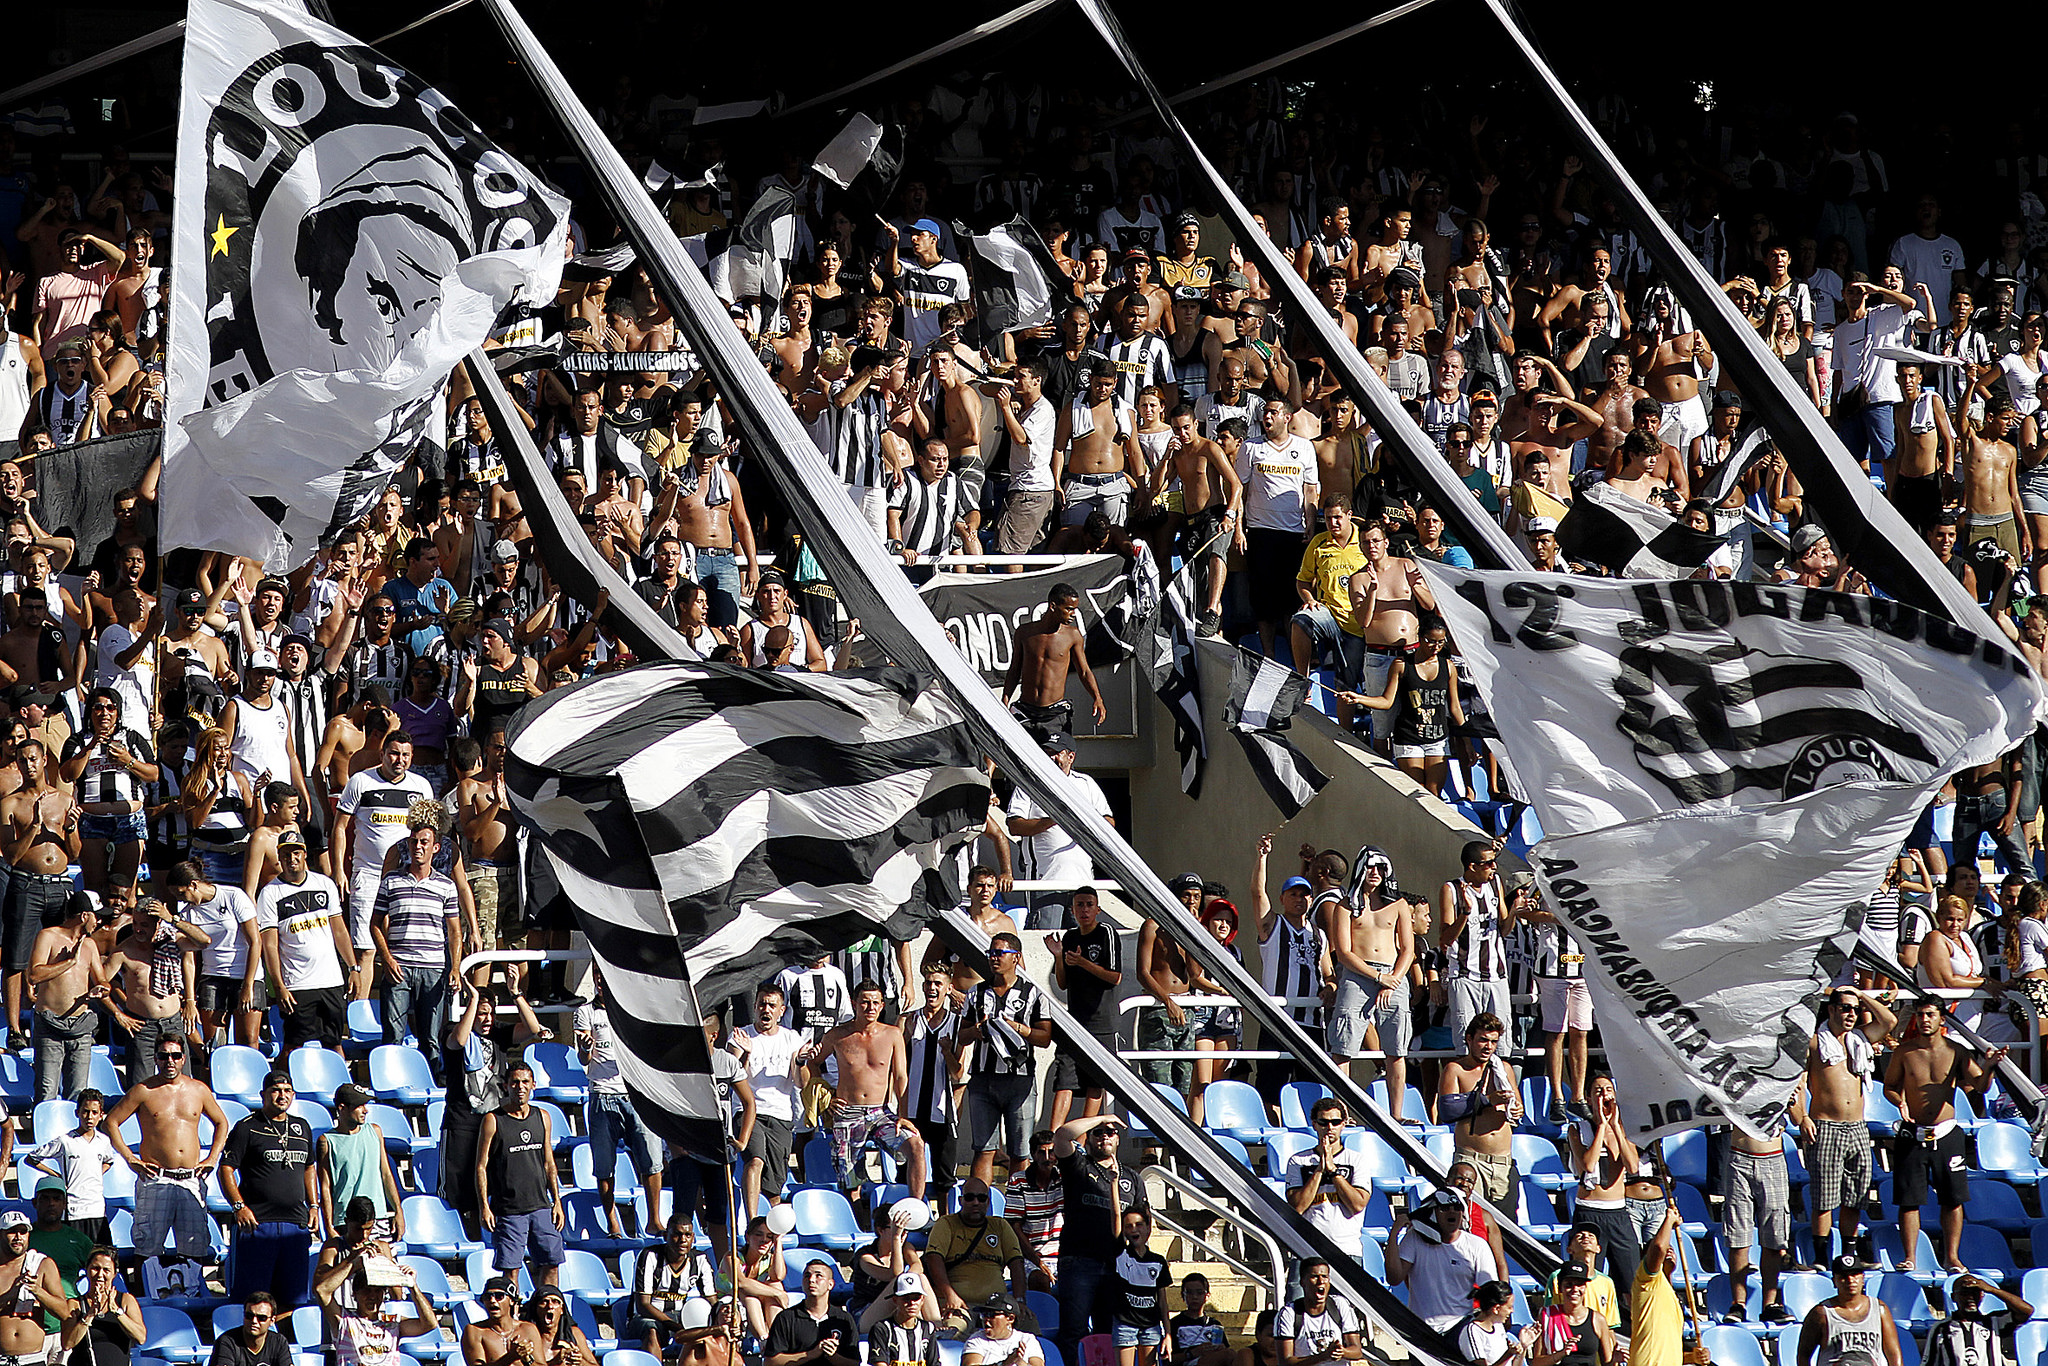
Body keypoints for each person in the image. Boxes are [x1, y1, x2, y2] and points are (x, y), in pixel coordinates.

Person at [1883, 999, 2006, 1272]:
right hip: (1912, 1133)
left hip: (1947, 1133)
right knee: (1909, 1200)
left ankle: (1952, 1257)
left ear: (1941, 1019)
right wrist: (1899, 1101)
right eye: (1920, 1015)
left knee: (1952, 1199)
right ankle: (1910, 1256)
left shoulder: (1957, 1051)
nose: (1924, 1019)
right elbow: (1889, 1086)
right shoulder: (1904, 1052)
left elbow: (1980, 1085)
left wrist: (1990, 1066)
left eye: (1930, 1015)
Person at [105, 1028, 229, 1260]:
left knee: (194, 1250)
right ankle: (143, 1296)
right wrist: (130, 1159)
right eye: (163, 1056)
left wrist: (212, 1158)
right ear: (155, 1058)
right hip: (156, 1179)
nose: (169, 1061)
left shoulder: (199, 1090)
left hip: (191, 1178)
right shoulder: (143, 1090)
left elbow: (222, 1122)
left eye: (175, 1055)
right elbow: (110, 1122)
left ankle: (190, 1297)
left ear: (183, 1058)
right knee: (147, 1250)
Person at [333, 730, 433, 989]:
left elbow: (430, 834)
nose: (399, 760)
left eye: (406, 755)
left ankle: (403, 1011)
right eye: (394, 753)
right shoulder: (360, 782)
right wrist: (339, 871)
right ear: (382, 754)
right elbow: (340, 827)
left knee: (404, 949)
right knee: (366, 950)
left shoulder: (421, 787)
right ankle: (359, 1020)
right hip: (367, 873)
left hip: (405, 877)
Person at [816, 979, 928, 1202]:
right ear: (854, 1003)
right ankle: (857, 1226)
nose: (870, 1008)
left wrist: (903, 1116)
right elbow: (812, 1063)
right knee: (851, 1180)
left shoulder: (893, 1034)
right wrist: (825, 1097)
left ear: (882, 1005)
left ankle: (916, 1209)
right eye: (865, 1002)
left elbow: (900, 1077)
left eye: (875, 1003)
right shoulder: (838, 1035)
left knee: (916, 1145)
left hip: (881, 1112)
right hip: (848, 1111)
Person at [1802, 986, 1893, 1261]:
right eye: (1845, 1008)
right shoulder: (1815, 1042)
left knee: (1856, 1194)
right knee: (1824, 1198)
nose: (1851, 1014)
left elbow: (1889, 1022)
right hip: (1826, 1125)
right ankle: (1821, 1258)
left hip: (1857, 1127)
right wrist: (1802, 1117)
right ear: (1831, 1010)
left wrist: (1862, 995)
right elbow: (1797, 1081)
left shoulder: (1860, 1039)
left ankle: (1849, 1254)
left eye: (1855, 1009)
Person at [368, 814, 460, 1081]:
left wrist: (454, 968)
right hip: (399, 967)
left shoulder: (446, 886)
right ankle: (392, 1087)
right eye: (413, 842)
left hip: (433, 968)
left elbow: (455, 931)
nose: (417, 847)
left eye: (424, 842)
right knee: (393, 1036)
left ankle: (429, 1089)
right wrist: (386, 959)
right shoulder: (391, 881)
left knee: (430, 1038)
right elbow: (374, 924)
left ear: (436, 847)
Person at [575, 971, 666, 1239]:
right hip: (602, 1095)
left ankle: (654, 1219)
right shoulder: (585, 1012)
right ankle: (612, 1221)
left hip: (635, 1094)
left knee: (652, 1160)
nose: (601, 983)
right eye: (597, 978)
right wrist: (585, 1048)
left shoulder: (633, 1008)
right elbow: (583, 1059)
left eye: (605, 977)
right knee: (604, 1167)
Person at [217, 1070, 316, 1308]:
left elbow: (309, 1167)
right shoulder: (247, 1127)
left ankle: (287, 1344)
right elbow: (226, 1169)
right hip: (258, 1224)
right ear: (263, 1095)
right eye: (276, 1091)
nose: (282, 1096)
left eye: (287, 1091)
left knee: (293, 1300)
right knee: (252, 1299)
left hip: (295, 1224)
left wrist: (313, 1205)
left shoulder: (302, 1127)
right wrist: (239, 1206)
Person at [961, 932, 1051, 1184]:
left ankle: (1016, 1211)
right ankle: (982, 1210)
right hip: (983, 1080)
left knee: (1020, 1153)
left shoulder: (1034, 994)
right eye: (991, 953)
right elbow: (962, 1034)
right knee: (983, 1149)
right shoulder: (976, 993)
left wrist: (1017, 1028)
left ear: (1016, 957)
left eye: (1000, 952)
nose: (994, 958)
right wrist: (978, 1030)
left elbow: (1044, 1038)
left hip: (1019, 1081)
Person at [255, 829, 357, 1049]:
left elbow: (339, 930)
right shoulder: (270, 893)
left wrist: (353, 967)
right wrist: (279, 986)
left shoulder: (325, 884)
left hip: (331, 981)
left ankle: (339, 1083)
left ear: (304, 854)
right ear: (279, 858)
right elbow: (270, 945)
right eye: (286, 855)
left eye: (296, 853)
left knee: (334, 1043)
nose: (292, 859)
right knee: (294, 1045)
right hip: (298, 984)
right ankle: (284, 1083)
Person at [1053, 1114, 1141, 1365]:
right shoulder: (1078, 1165)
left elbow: (1141, 1223)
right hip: (1079, 1261)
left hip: (1115, 1265)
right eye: (1098, 1132)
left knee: (1108, 1333)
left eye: (1111, 1132)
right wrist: (1104, 1118)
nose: (1105, 1135)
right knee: (1074, 1331)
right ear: (1089, 1138)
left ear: (1119, 1139)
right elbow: (1062, 1135)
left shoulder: (1132, 1178)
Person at [477, 1059, 567, 1286]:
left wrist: (556, 1201)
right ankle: (513, 1318)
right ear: (506, 1086)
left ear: (533, 1085)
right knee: (511, 1272)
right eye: (515, 1083)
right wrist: (484, 1207)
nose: (521, 1087)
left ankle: (547, 1315)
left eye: (525, 1082)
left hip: (541, 1206)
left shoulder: (543, 1117)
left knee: (551, 1263)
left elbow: (549, 1162)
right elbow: (481, 1166)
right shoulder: (493, 1120)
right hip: (509, 1210)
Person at [1045, 885, 1123, 1126]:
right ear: (1073, 910)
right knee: (1065, 1082)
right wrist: (1059, 957)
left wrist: (1083, 962)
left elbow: (1114, 977)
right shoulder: (1070, 937)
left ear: (1098, 909)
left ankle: (1080, 1139)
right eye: (1080, 905)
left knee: (1095, 1084)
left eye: (1089, 904)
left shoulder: (1106, 933)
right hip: (1074, 1021)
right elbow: (1062, 982)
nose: (1085, 910)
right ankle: (1054, 1140)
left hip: (1102, 1022)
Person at [1439, 1011, 1521, 1210]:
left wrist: (1516, 1109)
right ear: (1469, 1039)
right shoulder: (1455, 1069)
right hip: (1470, 1160)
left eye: (1493, 1042)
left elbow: (1517, 1104)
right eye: (1483, 1040)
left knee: (1505, 1228)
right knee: (1471, 1222)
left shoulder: (1503, 1069)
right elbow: (1448, 1110)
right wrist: (1486, 1100)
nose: (1488, 1047)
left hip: (1503, 1162)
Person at [313, 1236, 438, 1366]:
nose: (373, 1296)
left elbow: (430, 1324)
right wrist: (353, 1265)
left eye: (378, 1291)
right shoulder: (344, 1321)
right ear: (355, 1294)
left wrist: (413, 1287)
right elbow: (321, 1290)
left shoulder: (393, 1323)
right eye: (367, 1291)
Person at [26, 888, 102, 1101]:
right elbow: (34, 975)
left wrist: (101, 988)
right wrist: (68, 962)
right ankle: (44, 1134)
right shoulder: (48, 935)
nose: (99, 922)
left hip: (81, 1026)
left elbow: (102, 979)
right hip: (50, 1025)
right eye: (96, 916)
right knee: (46, 1090)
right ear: (85, 916)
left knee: (78, 1094)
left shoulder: (89, 944)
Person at [1001, 583, 1106, 738]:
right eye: (1069, 609)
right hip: (1025, 710)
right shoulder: (1025, 632)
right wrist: (1005, 698)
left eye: (1075, 609)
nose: (1073, 614)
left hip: (1054, 713)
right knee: (1011, 755)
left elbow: (1084, 671)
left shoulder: (1073, 635)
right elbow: (1015, 669)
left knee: (1058, 760)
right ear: (1053, 606)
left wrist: (1097, 698)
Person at [923, 1177, 1028, 1329]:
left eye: (981, 1198)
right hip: (960, 1306)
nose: (976, 1202)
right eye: (970, 1197)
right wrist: (950, 1295)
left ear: (988, 1201)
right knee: (954, 1331)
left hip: (998, 1307)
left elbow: (1016, 1263)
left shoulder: (1000, 1226)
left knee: (1028, 1324)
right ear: (961, 1201)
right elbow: (933, 1258)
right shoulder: (946, 1223)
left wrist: (1019, 1301)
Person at [1386, 1188, 1494, 1333]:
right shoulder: (1414, 1239)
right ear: (1434, 1212)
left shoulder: (1477, 1245)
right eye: (1444, 1208)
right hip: (1421, 1330)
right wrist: (1394, 1234)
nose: (1451, 1212)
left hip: (1460, 1330)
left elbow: (1491, 1291)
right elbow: (1394, 1278)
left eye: (1456, 1208)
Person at [1439, 842, 1515, 1042]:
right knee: (1467, 1042)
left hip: (1496, 977)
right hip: (1465, 976)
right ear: (1472, 866)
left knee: (1500, 1043)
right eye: (1489, 863)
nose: (1495, 867)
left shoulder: (1494, 882)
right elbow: (1445, 939)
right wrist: (1465, 912)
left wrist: (1515, 910)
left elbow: (1504, 929)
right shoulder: (1451, 889)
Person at [318, 1084, 404, 1243]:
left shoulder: (375, 1131)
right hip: (347, 1221)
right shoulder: (326, 1141)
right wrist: (329, 1225)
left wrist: (398, 1210)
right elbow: (325, 1186)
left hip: (377, 1218)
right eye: (359, 1106)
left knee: (383, 1266)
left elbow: (386, 1174)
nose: (365, 1110)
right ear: (342, 1108)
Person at [27, 1088, 115, 1243]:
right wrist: (56, 1176)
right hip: (74, 1211)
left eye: (94, 1112)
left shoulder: (104, 1141)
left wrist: (95, 1173)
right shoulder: (65, 1141)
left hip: (97, 1210)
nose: (89, 1117)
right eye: (85, 1111)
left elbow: (109, 1161)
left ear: (101, 1115)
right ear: (77, 1113)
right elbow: (31, 1158)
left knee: (102, 1256)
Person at [1285, 1097, 1367, 1262]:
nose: (1330, 1127)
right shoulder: (1298, 1160)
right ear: (1314, 1124)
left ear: (1344, 1124)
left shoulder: (1357, 1160)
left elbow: (1357, 1204)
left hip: (1346, 1249)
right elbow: (1297, 1206)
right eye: (1323, 1122)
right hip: (1306, 1248)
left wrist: (1334, 1172)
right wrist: (1319, 1170)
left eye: (1335, 1122)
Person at [1793, 1257, 1902, 1366]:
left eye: (1855, 1275)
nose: (1850, 1280)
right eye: (1843, 1277)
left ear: (1863, 1279)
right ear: (1834, 1281)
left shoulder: (1879, 1310)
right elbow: (1803, 1354)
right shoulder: (1821, 1313)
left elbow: (1893, 1354)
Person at [764, 1257, 860, 1366]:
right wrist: (810, 1354)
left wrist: (832, 1356)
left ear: (830, 1284)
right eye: (807, 1276)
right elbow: (770, 1362)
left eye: (818, 1276)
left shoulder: (843, 1319)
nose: (811, 1280)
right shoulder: (786, 1318)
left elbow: (855, 1363)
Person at [1107, 1207, 1172, 1366]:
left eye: (1139, 1224)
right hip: (1125, 1324)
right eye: (1128, 1226)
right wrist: (1114, 1183)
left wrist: (1168, 1334)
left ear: (1148, 1228)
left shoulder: (1158, 1261)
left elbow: (1162, 1301)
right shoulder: (1120, 1255)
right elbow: (1115, 1215)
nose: (1134, 1229)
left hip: (1151, 1326)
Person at [61, 1245, 145, 1366]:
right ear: (87, 1269)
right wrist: (90, 1314)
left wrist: (117, 1311)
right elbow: (67, 1343)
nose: (100, 1275)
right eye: (95, 1268)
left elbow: (140, 1338)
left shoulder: (126, 1300)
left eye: (106, 1270)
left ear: (114, 1273)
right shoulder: (75, 1304)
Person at [1923, 1276, 2033, 1366]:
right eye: (1964, 1293)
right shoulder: (1941, 1328)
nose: (1970, 1297)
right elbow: (1929, 1362)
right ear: (1953, 1297)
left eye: (1975, 1293)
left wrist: (1992, 1289)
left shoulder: (1994, 1322)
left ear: (1981, 1296)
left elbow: (2026, 1310)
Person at [1533, 1263, 1616, 1366]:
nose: (1575, 1289)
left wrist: (1616, 1360)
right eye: (1569, 1285)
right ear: (1560, 1288)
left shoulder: (1598, 1320)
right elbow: (1537, 1362)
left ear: (1585, 1288)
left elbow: (1607, 1362)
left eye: (1580, 1284)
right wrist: (1560, 1354)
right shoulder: (1547, 1316)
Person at [464, 1274, 548, 1366]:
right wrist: (511, 1356)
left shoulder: (528, 1329)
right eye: (488, 1297)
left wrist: (527, 1359)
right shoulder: (475, 1331)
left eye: (499, 1296)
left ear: (511, 1301)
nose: (492, 1300)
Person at [868, 1271, 942, 1366]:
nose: (912, 1303)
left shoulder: (928, 1328)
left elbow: (934, 1363)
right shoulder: (882, 1329)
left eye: (916, 1298)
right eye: (906, 1298)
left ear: (922, 1300)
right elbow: (879, 1363)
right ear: (895, 1300)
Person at [1462, 1281, 1538, 1366]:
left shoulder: (1498, 1326)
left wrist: (1523, 1346)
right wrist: (1508, 1354)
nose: (1512, 1311)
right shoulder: (1473, 1332)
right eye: (1509, 1307)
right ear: (1496, 1308)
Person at [207, 1292, 291, 1366]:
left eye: (261, 1318)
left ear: (272, 1320)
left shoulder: (279, 1342)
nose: (254, 1321)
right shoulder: (227, 1342)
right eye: (249, 1316)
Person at [1170, 1273, 1235, 1366]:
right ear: (1182, 1296)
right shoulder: (1174, 1324)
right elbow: (1166, 1359)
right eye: (1189, 1292)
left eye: (1199, 1292)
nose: (1194, 1297)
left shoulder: (1214, 1324)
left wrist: (1220, 1349)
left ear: (1207, 1296)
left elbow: (1225, 1350)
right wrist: (1192, 1353)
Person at [962, 1296, 1044, 1366]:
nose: (986, 1320)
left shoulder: (1027, 1339)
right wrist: (1004, 1364)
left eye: (991, 1314)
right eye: (984, 1314)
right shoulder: (976, 1340)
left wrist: (1020, 1363)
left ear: (1010, 1318)